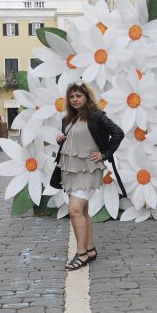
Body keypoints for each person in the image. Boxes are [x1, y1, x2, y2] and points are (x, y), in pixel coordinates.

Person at [55, 82, 124, 271]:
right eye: (72, 96)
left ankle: (82, 254)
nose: (75, 99)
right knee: (83, 212)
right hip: (71, 169)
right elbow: (73, 140)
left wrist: (105, 154)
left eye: (79, 96)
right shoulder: (67, 119)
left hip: (88, 169)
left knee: (75, 210)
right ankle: (90, 249)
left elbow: (118, 133)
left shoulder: (96, 116)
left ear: (86, 97)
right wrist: (60, 138)